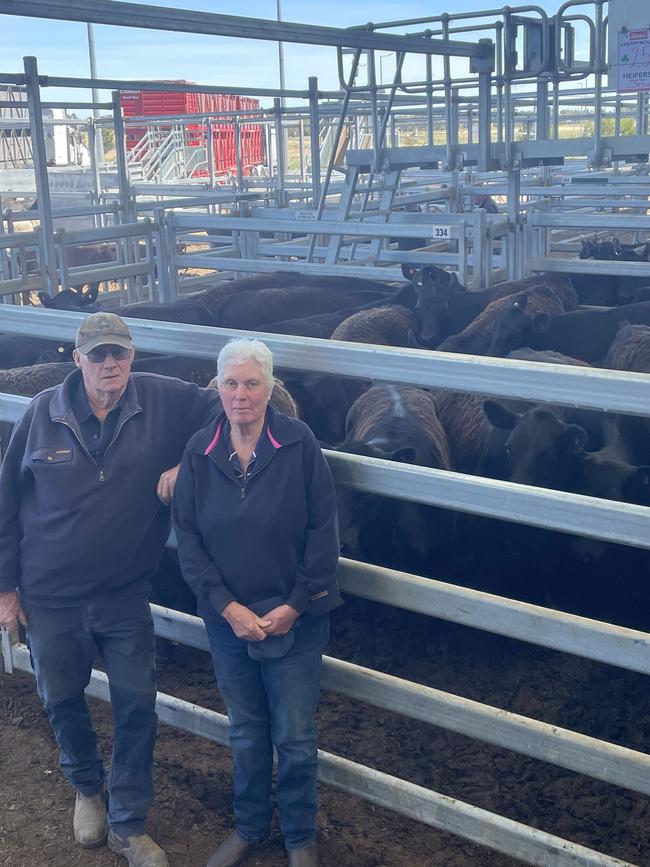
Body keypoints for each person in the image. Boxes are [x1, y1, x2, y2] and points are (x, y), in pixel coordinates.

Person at [0, 312, 220, 867]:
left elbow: (226, 406)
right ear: (77, 360)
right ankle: (85, 786)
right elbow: (4, 505)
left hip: (123, 591)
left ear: (132, 356)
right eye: (97, 355)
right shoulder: (41, 415)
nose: (109, 364)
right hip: (50, 593)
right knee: (62, 695)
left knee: (135, 700)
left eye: (118, 353)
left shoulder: (163, 401)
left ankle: (128, 821)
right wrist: (6, 590)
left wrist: (184, 464)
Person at [172, 338, 341, 867]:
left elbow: (323, 532)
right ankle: (249, 826)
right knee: (245, 730)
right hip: (229, 622)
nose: (240, 395)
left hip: (293, 619)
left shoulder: (298, 444)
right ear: (216, 387)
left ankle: (298, 836)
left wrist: (294, 604)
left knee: (293, 735)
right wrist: (227, 608)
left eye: (251, 383)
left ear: (270, 388)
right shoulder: (200, 450)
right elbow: (189, 540)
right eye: (230, 383)